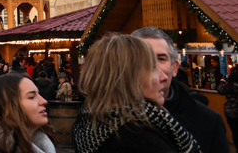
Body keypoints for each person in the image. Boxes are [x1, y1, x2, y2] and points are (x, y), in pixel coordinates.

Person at [71, 34, 200, 153]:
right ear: (127, 77)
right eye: (152, 68)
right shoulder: (135, 135)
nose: (163, 77)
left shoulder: (93, 125)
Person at [134, 27, 230, 153]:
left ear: (175, 68)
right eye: (142, 59)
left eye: (161, 58)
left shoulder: (208, 121)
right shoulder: (107, 119)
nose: (153, 68)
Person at [0, 73, 54, 153]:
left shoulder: (43, 143)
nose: (44, 101)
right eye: (31, 97)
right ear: (8, 106)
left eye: (39, 94)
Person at [217, 67, 238, 145]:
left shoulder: (228, 86)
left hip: (230, 112)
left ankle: (237, 147)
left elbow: (219, 90)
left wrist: (222, 81)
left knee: (234, 131)